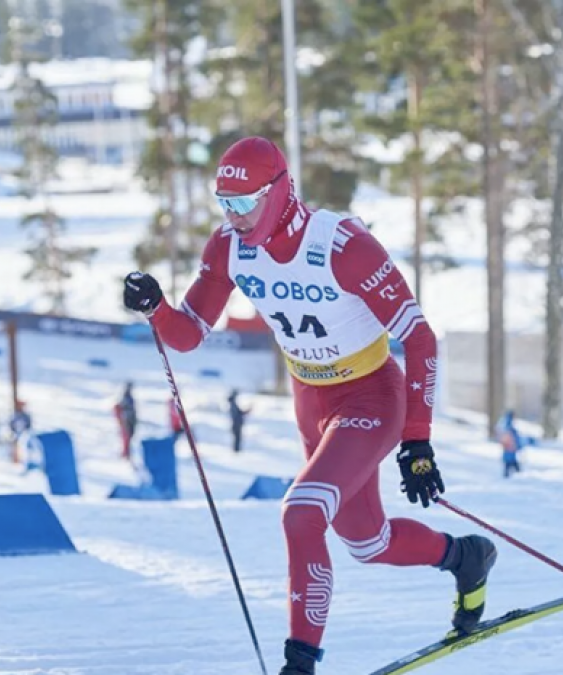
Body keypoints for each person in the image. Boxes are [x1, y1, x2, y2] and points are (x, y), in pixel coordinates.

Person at [122, 136, 496, 675]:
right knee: (366, 541)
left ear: (278, 191)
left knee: (302, 513)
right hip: (312, 400)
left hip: (371, 394)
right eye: (224, 204)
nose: (235, 217)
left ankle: (300, 664)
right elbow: (188, 335)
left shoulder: (342, 245)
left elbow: (419, 338)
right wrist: (155, 307)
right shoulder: (229, 246)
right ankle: (465, 556)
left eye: (246, 203)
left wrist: (417, 438)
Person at [494, 410, 522, 478]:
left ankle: (508, 475)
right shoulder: (508, 426)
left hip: (509, 448)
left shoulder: (505, 425)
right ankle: (513, 476)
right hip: (510, 448)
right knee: (511, 463)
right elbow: (511, 437)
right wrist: (517, 445)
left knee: (510, 463)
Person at [116, 381, 138, 459]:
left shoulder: (128, 397)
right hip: (127, 421)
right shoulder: (125, 398)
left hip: (130, 421)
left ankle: (127, 454)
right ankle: (126, 455)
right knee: (127, 437)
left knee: (129, 438)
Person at [228, 389, 251, 453]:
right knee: (237, 438)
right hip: (236, 424)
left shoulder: (233, 404)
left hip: (237, 424)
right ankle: (236, 450)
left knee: (238, 438)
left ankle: (237, 450)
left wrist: (246, 411)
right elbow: (237, 415)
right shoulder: (233, 404)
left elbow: (239, 413)